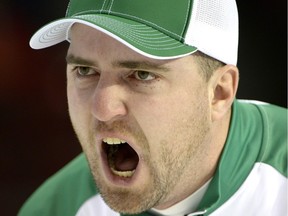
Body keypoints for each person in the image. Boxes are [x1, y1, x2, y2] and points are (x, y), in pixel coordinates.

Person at [18, 0, 287, 215]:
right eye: (85, 70)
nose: (102, 108)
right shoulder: (56, 208)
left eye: (142, 75)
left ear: (219, 92)